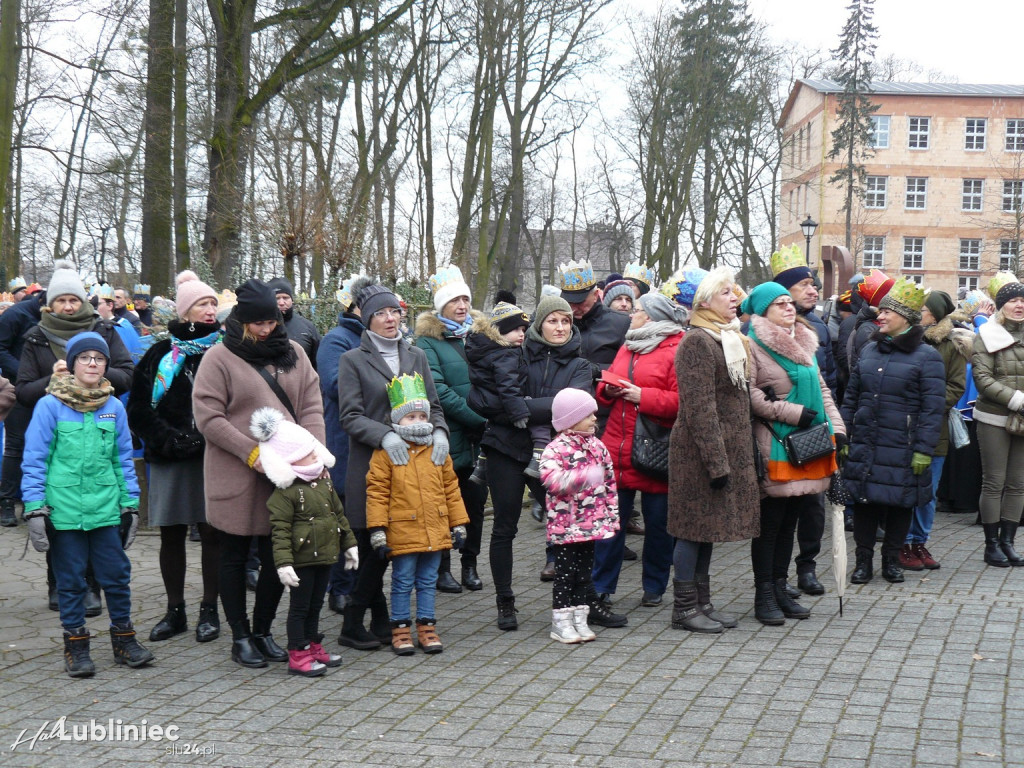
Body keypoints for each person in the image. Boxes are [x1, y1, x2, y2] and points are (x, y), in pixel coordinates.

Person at [192, 278, 324, 669]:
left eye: (271, 321)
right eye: (258, 323)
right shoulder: (219, 358)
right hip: (237, 471)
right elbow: (209, 417)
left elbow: (312, 407)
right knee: (232, 555)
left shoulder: (295, 354)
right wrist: (253, 455)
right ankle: (240, 635)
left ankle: (264, 631)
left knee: (276, 555)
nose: (267, 329)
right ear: (240, 321)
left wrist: (312, 455)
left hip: (287, 475)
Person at [480, 295, 623, 630]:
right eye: (552, 320)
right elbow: (490, 399)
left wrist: (524, 404)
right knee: (504, 526)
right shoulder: (514, 353)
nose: (560, 328)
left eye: (565, 321)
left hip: (558, 456)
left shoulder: (578, 364)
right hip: (507, 447)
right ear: (538, 323)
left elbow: (572, 410)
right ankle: (505, 601)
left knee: (579, 529)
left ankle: (584, 600)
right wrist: (543, 405)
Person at [22, 332, 153, 677]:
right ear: (73, 363)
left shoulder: (113, 407)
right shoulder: (50, 405)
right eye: (85, 358)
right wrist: (34, 508)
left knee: (117, 576)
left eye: (99, 358)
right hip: (63, 512)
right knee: (71, 581)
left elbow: (123, 459)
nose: (93, 363)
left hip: (106, 510)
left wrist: (130, 504)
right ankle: (76, 647)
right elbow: (35, 459)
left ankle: (124, 640)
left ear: (107, 365)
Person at [17, 261, 135, 613]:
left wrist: (91, 371)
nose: (68, 306)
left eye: (74, 300)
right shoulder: (36, 336)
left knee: (97, 519)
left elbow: (126, 375)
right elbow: (24, 391)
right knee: (63, 518)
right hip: (55, 429)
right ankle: (61, 584)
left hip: (98, 422)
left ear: (84, 301)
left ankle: (93, 586)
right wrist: (53, 381)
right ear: (49, 304)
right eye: (61, 301)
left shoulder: (105, 330)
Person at [337, 284, 448, 651]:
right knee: (374, 549)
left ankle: (382, 621)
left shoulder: (415, 355)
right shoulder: (353, 359)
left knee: (396, 548)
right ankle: (354, 622)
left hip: (415, 471)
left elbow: (434, 404)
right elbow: (349, 415)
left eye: (395, 312)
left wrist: (441, 433)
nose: (390, 318)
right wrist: (385, 434)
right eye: (381, 313)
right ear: (367, 319)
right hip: (372, 466)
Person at [127, 271, 223, 644]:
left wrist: (205, 438)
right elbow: (138, 407)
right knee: (172, 534)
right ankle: (175, 610)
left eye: (213, 302)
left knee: (213, 532)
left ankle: (210, 609)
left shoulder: (225, 350)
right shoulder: (160, 353)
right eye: (202, 303)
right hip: (170, 456)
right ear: (185, 312)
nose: (210, 309)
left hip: (214, 455)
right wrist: (170, 440)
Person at [744, 282, 845, 625]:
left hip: (810, 443)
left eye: (790, 303)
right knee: (770, 525)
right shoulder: (752, 345)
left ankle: (780, 588)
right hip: (775, 443)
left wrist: (839, 429)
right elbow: (752, 396)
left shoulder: (805, 341)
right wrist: (793, 413)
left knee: (790, 523)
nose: (789, 308)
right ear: (763, 311)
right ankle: (764, 596)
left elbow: (823, 389)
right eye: (779, 304)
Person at [667, 267, 759, 633]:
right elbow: (699, 408)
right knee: (691, 530)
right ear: (704, 301)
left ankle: (702, 602)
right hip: (699, 454)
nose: (735, 297)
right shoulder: (697, 342)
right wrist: (717, 463)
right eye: (725, 293)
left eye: (734, 291)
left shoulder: (728, 337)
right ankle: (684, 609)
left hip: (723, 450)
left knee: (709, 530)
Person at [841, 278, 945, 584]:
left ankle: (891, 561)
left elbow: (932, 409)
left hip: (903, 444)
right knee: (864, 502)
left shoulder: (927, 357)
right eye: (880, 312)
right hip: (867, 441)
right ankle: (863, 562)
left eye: (887, 312)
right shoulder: (870, 350)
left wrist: (924, 449)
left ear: (906, 318)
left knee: (899, 503)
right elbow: (851, 397)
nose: (880, 316)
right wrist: (844, 434)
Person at [593, 291, 685, 609]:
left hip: (655, 451)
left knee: (658, 526)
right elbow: (610, 382)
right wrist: (606, 388)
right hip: (616, 449)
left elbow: (682, 401)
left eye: (638, 309)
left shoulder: (677, 348)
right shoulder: (629, 343)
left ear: (652, 316)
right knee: (610, 525)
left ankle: (655, 585)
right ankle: (602, 586)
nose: (631, 313)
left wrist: (641, 396)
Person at [365, 374, 468, 655]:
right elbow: (377, 492)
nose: (419, 421)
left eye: (423, 415)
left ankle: (426, 627)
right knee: (402, 581)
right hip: (403, 529)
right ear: (397, 420)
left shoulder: (438, 449)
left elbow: (451, 487)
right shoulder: (386, 454)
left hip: (435, 526)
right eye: (411, 417)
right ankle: (399, 628)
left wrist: (458, 523)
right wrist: (377, 529)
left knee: (427, 580)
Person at [255, 407, 358, 676]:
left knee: (315, 605)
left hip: (325, 556)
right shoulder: (285, 494)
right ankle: (298, 653)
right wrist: (284, 564)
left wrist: (349, 544)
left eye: (313, 452)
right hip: (301, 560)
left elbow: (338, 515)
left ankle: (313, 645)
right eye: (307, 455)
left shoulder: (324, 484)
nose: (315, 457)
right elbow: (279, 531)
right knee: (299, 608)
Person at [413, 265, 488, 594]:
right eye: (454, 300)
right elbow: (438, 390)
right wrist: (478, 417)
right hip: (450, 435)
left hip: (481, 441)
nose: (461, 305)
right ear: (440, 306)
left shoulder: (483, 336)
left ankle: (469, 565)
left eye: (465, 299)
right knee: (444, 503)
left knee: (475, 505)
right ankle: (442, 568)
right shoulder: (427, 342)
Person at [769, 245, 836, 597]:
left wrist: (836, 426)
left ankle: (807, 567)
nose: (813, 291)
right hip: (782, 433)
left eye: (813, 284)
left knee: (814, 508)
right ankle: (775, 580)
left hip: (818, 429)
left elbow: (832, 379)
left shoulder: (820, 330)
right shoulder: (761, 333)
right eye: (805, 285)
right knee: (783, 512)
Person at [539, 389, 619, 644]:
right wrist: (586, 477)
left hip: (591, 525)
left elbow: (609, 484)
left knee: (584, 574)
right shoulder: (555, 449)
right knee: (565, 575)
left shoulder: (598, 446)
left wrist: (611, 517)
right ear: (571, 419)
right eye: (589, 414)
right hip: (566, 528)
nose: (595, 418)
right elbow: (552, 481)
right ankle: (560, 623)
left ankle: (579, 620)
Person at [900, 290, 969, 571]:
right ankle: (902, 542)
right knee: (904, 488)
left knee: (928, 491)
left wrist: (929, 408)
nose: (919, 313)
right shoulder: (906, 340)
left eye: (924, 309)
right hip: (902, 426)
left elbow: (955, 386)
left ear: (936, 315)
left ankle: (919, 541)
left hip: (935, 429)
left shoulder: (952, 345)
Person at [317, 274, 373, 613]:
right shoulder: (335, 341)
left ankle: (362, 584)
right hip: (344, 439)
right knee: (345, 517)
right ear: (354, 307)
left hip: (374, 438)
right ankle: (339, 587)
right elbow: (336, 384)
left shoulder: (382, 338)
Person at [971, 273, 1024, 567]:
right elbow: (983, 379)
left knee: (1018, 483)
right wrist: (1017, 400)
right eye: (1014, 300)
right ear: (1002, 305)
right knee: (994, 481)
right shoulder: (986, 335)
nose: (1019, 305)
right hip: (994, 417)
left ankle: (1008, 542)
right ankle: (991, 545)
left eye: (1023, 300)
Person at [465, 300, 532, 486]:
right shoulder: (505, 354)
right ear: (500, 331)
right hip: (504, 405)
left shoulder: (489, 349)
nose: (522, 334)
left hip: (490, 404)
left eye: (524, 330)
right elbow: (507, 385)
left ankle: (482, 463)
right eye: (516, 329)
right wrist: (518, 412)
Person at [0, 288, 45, 527]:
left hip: (48, 391)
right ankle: (7, 501)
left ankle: (35, 501)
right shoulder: (15, 315)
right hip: (18, 389)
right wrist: (25, 373)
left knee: (44, 445)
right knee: (16, 445)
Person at [268, 277, 320, 368]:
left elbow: (318, 361)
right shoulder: (260, 327)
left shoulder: (307, 327)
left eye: (285, 297)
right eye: (277, 298)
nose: (281, 302)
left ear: (292, 299)